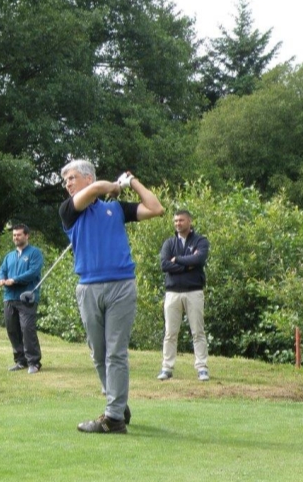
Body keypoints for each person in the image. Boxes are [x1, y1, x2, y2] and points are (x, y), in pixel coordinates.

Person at [59, 160, 164, 434]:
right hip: (88, 287)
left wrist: (132, 182)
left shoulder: (115, 209)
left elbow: (156, 208)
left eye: (71, 178)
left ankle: (114, 417)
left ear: (86, 176)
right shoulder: (69, 210)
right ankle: (116, 400)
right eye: (65, 180)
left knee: (115, 351)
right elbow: (97, 189)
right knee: (98, 352)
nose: (68, 184)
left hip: (121, 286)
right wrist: (112, 186)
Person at [157, 210, 210, 382]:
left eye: (181, 220)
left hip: (194, 291)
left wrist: (177, 259)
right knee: (170, 333)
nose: (178, 223)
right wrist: (187, 264)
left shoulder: (200, 241)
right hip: (172, 293)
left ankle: (202, 368)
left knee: (198, 332)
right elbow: (164, 265)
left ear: (189, 221)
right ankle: (167, 368)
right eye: (175, 221)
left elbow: (199, 260)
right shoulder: (169, 243)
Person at [0, 224, 44, 374]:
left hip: (27, 298)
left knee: (27, 329)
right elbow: (2, 271)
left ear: (26, 236)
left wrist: (15, 280)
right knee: (13, 330)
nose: (16, 237)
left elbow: (33, 272)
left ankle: (34, 362)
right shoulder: (9, 256)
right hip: (9, 297)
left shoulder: (35, 253)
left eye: (19, 235)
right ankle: (20, 361)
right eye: (14, 235)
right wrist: (0, 279)